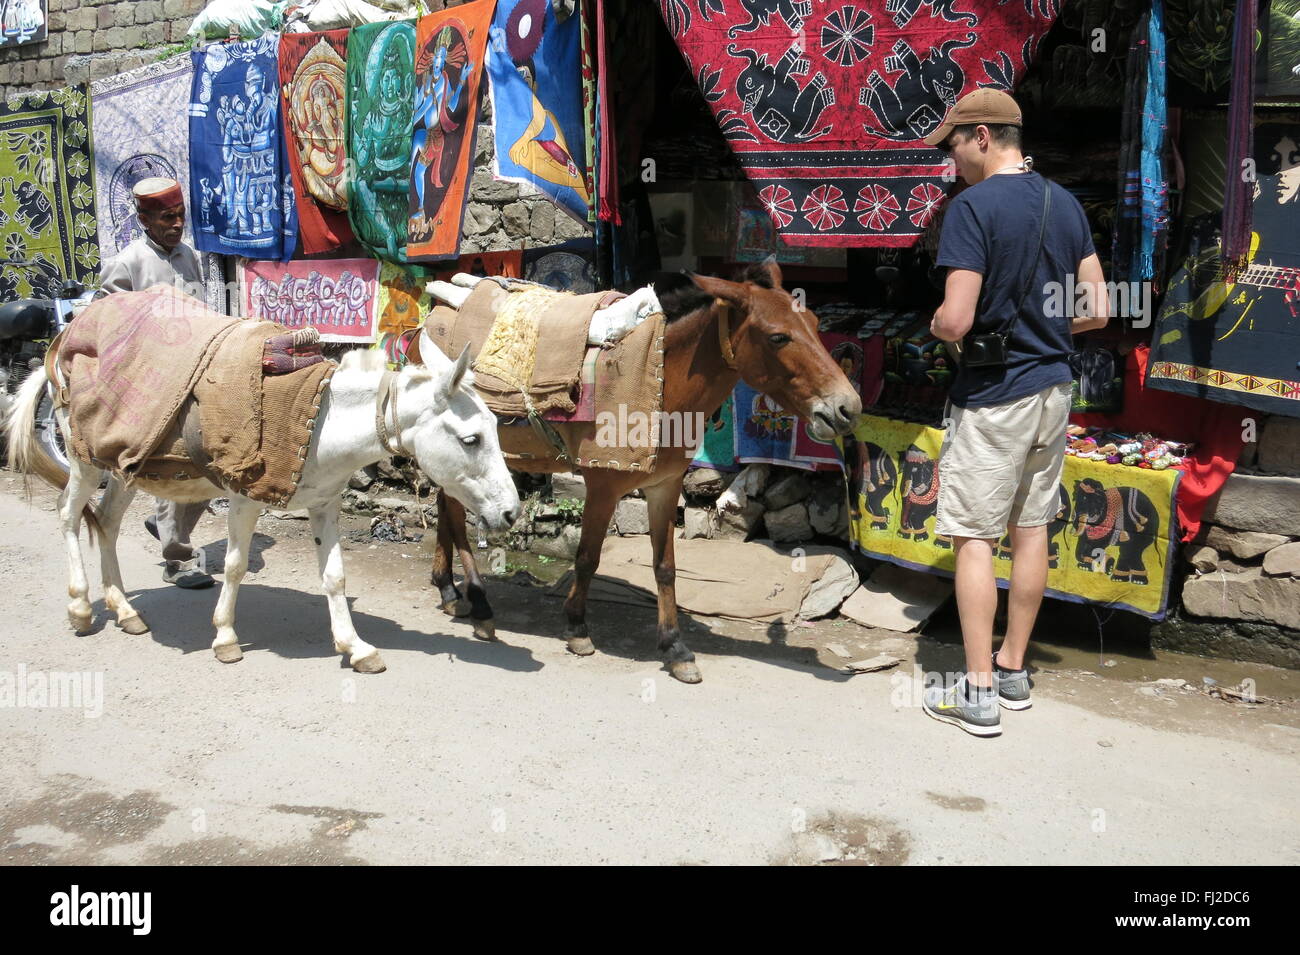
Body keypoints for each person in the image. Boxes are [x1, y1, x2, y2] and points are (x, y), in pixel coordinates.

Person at [921, 90, 1110, 737]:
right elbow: (1097, 308)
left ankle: (975, 694)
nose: (951, 161)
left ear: (981, 136)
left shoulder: (971, 209)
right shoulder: (1066, 205)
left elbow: (957, 316)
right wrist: (1045, 329)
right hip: (1055, 390)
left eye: (952, 146)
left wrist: (939, 326)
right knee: (1031, 528)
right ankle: (1011, 670)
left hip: (994, 395)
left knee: (974, 536)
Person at [97, 177, 215, 590]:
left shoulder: (189, 257)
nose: (176, 224)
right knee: (180, 463)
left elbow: (199, 312)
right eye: (167, 217)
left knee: (215, 462)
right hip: (149, 385)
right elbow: (108, 327)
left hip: (191, 375)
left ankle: (164, 520)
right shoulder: (126, 264)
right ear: (144, 219)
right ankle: (177, 559)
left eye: (180, 215)